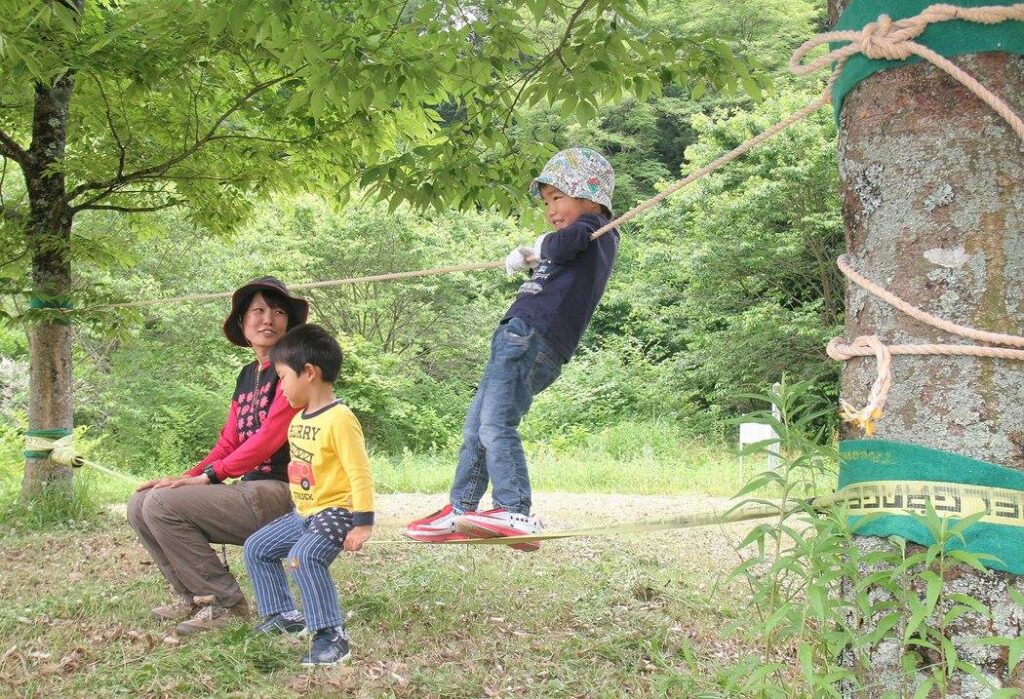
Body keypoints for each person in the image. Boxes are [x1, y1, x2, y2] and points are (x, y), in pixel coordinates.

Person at [403, 147, 618, 551]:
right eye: (546, 202)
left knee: (496, 424)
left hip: (532, 337)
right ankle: (461, 509)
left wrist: (538, 247)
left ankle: (514, 509)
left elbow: (567, 242)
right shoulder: (575, 240)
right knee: (476, 429)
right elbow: (562, 250)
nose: (551, 210)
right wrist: (535, 257)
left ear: (589, 197)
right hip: (516, 337)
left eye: (558, 198)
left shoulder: (595, 228)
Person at [127, 277, 309, 635]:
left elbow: (268, 439)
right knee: (141, 502)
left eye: (278, 312)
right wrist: (186, 477)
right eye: (258, 311)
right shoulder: (246, 375)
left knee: (161, 505)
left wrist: (210, 477)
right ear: (242, 322)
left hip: (285, 493)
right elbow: (228, 442)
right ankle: (194, 597)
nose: (268, 319)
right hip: (250, 491)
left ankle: (226, 606)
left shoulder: (294, 370)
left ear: (289, 323)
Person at [242, 323, 374, 666]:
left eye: (283, 377)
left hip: (337, 512)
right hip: (305, 513)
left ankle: (331, 635)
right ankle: (283, 616)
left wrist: (362, 523)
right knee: (257, 547)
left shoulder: (340, 419)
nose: (281, 385)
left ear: (310, 373)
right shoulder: (298, 419)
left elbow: (359, 472)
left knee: (303, 556)